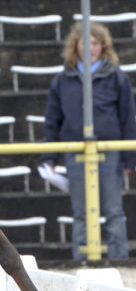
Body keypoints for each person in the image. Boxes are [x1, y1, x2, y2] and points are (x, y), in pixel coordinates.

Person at [42, 21, 135, 261]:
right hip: (76, 153)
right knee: (81, 212)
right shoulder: (63, 79)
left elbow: (128, 117)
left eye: (95, 42)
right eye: (85, 42)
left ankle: (119, 260)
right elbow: (53, 120)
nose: (90, 47)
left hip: (110, 152)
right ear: (76, 45)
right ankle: (82, 260)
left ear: (103, 46)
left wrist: (129, 158)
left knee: (114, 211)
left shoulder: (117, 77)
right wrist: (50, 158)